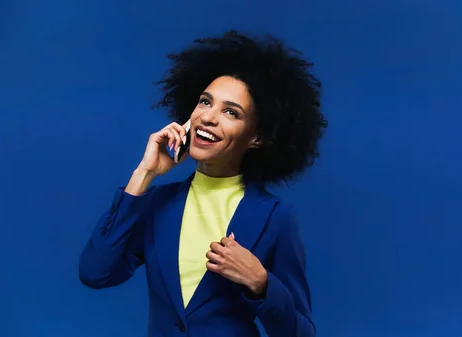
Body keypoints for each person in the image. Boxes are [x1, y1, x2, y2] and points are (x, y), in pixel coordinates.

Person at [78, 30, 328, 337]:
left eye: (230, 112)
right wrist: (144, 173)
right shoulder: (158, 204)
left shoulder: (275, 218)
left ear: (257, 137)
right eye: (205, 102)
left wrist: (261, 282)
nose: (208, 117)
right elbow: (95, 273)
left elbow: (301, 333)